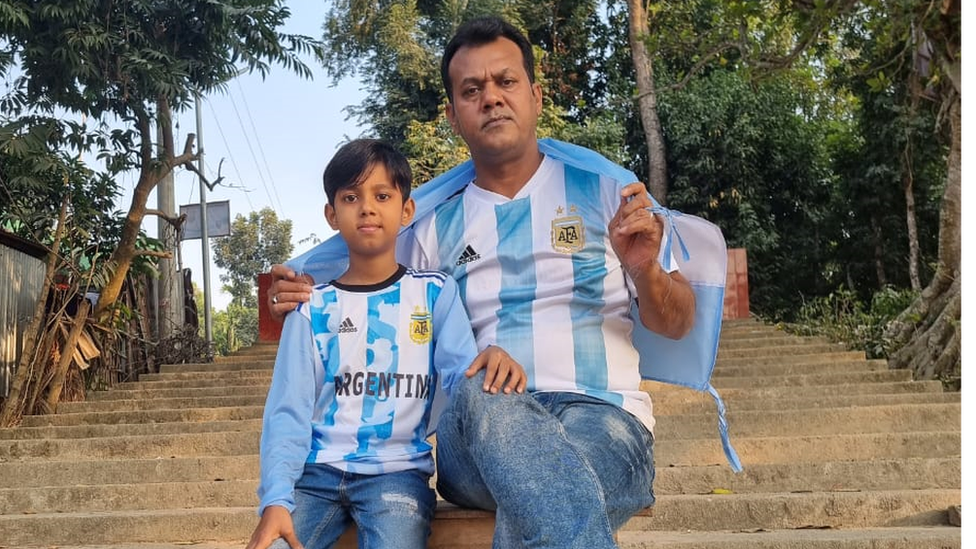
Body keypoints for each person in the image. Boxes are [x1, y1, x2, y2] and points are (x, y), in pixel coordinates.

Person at [268, 16, 696, 548]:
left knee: (547, 489)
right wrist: (295, 287)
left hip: (603, 419)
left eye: (506, 82)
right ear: (452, 115)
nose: (491, 98)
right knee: (485, 390)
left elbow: (678, 322)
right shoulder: (428, 227)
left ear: (536, 96)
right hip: (477, 432)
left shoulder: (611, 195)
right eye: (472, 90)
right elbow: (357, 273)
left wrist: (645, 271)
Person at [246, 138, 526, 549]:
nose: (367, 207)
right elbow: (288, 410)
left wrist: (491, 358)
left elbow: (461, 378)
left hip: (397, 475)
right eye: (350, 197)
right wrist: (276, 498)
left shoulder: (434, 294)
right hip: (314, 475)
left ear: (406, 210)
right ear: (331, 214)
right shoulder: (311, 307)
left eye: (382, 195)